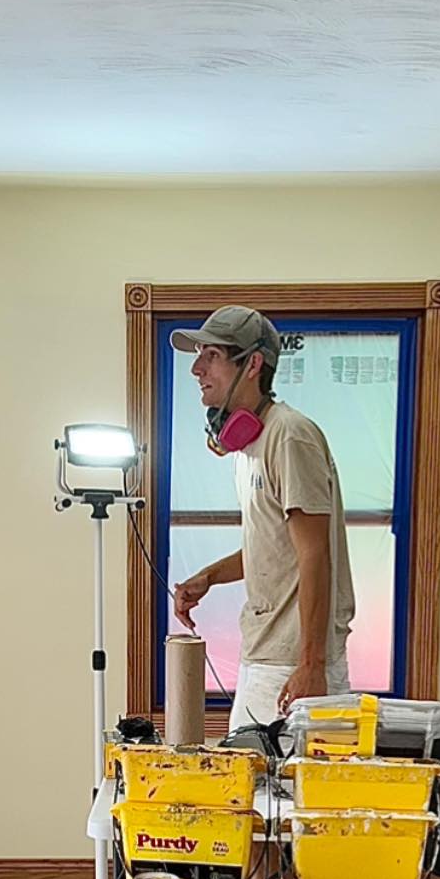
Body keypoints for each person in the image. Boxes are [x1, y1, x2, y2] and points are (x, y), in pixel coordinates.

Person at [172, 306, 355, 734]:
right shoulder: (250, 448)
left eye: (212, 356)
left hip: (293, 666)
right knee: (245, 774)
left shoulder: (290, 436)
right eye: (198, 357)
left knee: (272, 779)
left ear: (253, 364)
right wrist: (209, 577)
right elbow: (276, 547)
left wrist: (312, 666)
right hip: (266, 656)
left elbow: (314, 553)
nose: (197, 369)